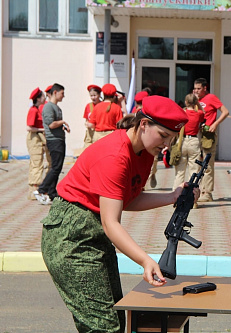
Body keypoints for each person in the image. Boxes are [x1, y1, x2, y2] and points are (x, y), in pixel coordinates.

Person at [41, 96, 195, 333]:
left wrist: (173, 197)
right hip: (71, 237)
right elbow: (111, 222)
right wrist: (145, 260)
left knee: (116, 318)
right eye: (163, 136)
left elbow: (128, 199)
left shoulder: (143, 153)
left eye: (172, 139)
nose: (167, 144)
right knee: (102, 326)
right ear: (143, 124)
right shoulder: (115, 155)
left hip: (94, 233)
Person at [193, 78, 229, 202]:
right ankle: (196, 191)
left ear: (205, 88)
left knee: (208, 165)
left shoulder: (211, 98)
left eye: (198, 89)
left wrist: (215, 124)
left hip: (208, 134)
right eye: (195, 89)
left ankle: (207, 193)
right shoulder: (195, 100)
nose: (196, 91)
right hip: (196, 134)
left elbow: (225, 112)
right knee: (196, 164)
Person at [34, 83, 70, 205]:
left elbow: (56, 124)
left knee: (57, 167)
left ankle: (52, 193)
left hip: (59, 139)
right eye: (62, 93)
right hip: (54, 140)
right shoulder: (49, 107)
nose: (63, 96)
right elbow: (51, 124)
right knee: (55, 167)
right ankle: (41, 190)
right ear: (55, 92)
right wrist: (62, 122)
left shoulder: (57, 108)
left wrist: (63, 126)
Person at [173, 93, 205, 189]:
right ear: (195, 102)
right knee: (194, 171)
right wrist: (197, 103)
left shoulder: (182, 113)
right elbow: (203, 112)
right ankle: (191, 197)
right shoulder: (198, 114)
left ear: (186, 102)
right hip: (194, 141)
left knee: (179, 172)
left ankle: (175, 195)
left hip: (182, 141)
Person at [26, 87, 51, 200]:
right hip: (35, 138)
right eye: (42, 96)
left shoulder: (40, 108)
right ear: (38, 98)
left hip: (40, 137)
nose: (44, 98)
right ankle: (34, 190)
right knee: (37, 163)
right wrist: (42, 130)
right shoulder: (33, 110)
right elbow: (29, 127)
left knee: (40, 163)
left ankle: (42, 188)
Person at [83, 84, 102, 150]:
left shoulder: (102, 105)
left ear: (99, 95)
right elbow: (86, 119)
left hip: (99, 132)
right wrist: (87, 124)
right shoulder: (88, 106)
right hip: (90, 132)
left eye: (95, 95)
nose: (93, 97)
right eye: (91, 96)